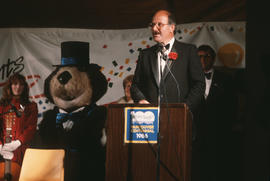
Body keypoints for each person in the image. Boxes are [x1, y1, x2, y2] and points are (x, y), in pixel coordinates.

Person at [130, 10, 205, 115]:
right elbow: (135, 86)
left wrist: (185, 108)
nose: (154, 29)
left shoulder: (188, 51)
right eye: (152, 25)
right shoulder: (145, 55)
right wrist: (141, 100)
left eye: (159, 24)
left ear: (172, 27)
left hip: (180, 118)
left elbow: (199, 84)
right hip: (150, 118)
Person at [194, 44, 237, 181]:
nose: (203, 60)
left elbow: (232, 106)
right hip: (196, 134)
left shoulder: (226, 79)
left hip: (219, 133)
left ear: (213, 58)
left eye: (206, 56)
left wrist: (228, 127)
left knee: (218, 169)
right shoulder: (189, 79)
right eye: (199, 56)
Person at [0, 73, 38, 167]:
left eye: (21, 84)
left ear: (25, 87)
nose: (18, 87)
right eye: (15, 84)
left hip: (22, 149)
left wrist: (18, 142)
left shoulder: (31, 106)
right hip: (3, 150)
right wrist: (0, 146)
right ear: (10, 86)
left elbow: (31, 128)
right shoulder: (2, 106)